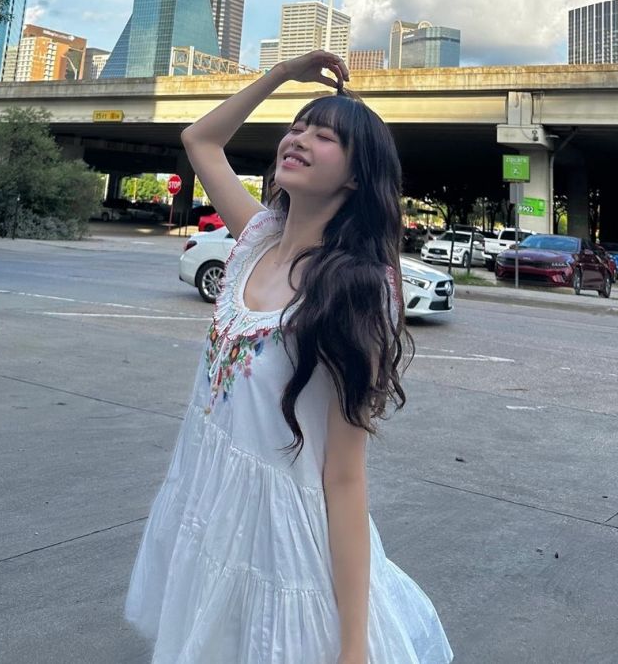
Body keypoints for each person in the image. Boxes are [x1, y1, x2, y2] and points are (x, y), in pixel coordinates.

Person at [125, 50, 453, 664]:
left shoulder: (356, 288)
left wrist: (352, 647)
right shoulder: (256, 240)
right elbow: (200, 140)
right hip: (211, 504)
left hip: (283, 544)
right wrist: (280, 75)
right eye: (297, 127)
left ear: (355, 177)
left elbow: (345, 476)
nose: (299, 138)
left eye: (324, 136)